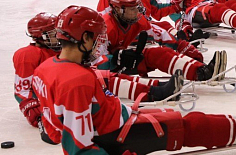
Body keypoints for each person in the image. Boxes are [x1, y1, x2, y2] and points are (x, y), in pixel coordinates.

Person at [32, 5, 236, 155]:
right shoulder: (75, 81)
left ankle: (161, 93)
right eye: (97, 38)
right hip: (117, 139)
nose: (101, 43)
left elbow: (55, 131)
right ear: (84, 38)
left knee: (156, 106)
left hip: (116, 123)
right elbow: (77, 147)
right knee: (189, 125)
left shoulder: (47, 68)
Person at [14, 13, 180, 132]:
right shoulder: (27, 55)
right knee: (102, 81)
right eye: (51, 35)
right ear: (38, 37)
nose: (57, 38)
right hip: (57, 100)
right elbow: (22, 91)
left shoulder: (59, 49)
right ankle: (153, 92)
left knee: (105, 77)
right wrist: (37, 116)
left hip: (67, 89)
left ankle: (156, 89)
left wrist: (114, 59)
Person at [101, 0, 222, 82]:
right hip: (104, 73)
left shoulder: (136, 21)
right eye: (132, 8)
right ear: (117, 9)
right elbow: (93, 63)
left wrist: (185, 48)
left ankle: (200, 71)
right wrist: (115, 59)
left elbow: (161, 35)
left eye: (137, 7)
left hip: (122, 62)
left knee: (159, 53)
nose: (137, 12)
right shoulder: (104, 28)